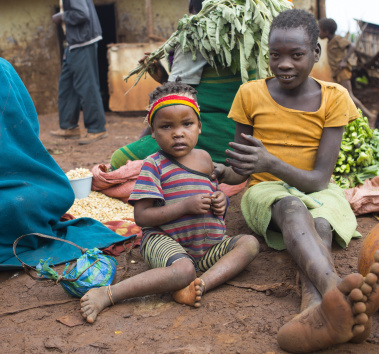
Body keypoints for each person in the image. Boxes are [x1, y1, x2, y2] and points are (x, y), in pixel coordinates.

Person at [213, 9, 379, 354]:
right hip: (266, 192)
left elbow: (317, 181)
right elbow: (243, 170)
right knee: (295, 210)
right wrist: (225, 171)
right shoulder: (249, 94)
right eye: (275, 55)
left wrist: (270, 160)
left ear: (315, 53)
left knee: (321, 225)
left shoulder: (334, 97)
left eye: (296, 55)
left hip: (318, 187)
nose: (284, 64)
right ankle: (334, 290)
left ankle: (315, 313)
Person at [80, 80, 259, 323]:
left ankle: (199, 285)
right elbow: (142, 217)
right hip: (165, 240)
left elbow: (214, 198)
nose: (178, 133)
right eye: (166, 126)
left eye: (187, 124)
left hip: (206, 246)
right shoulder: (154, 165)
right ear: (153, 132)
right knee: (183, 269)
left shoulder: (206, 160)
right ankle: (108, 294)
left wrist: (220, 202)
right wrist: (184, 207)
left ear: (199, 127)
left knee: (249, 244)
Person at [0, 57, 131, 269]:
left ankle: (92, 127)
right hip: (19, 210)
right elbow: (27, 125)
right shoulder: (3, 69)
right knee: (46, 195)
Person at [109, 0, 255, 170]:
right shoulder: (251, 37)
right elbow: (210, 92)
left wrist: (144, 140)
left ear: (192, 10)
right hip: (240, 142)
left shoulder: (195, 36)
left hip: (207, 140)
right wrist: (165, 78)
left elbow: (171, 102)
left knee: (119, 158)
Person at [50, 0, 108, 145]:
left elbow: (81, 14)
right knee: (66, 85)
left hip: (83, 42)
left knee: (87, 85)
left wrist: (62, 16)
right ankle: (68, 126)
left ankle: (96, 128)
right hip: (74, 44)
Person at [318, 18, 376, 120]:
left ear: (326, 32)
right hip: (336, 73)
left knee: (349, 95)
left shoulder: (337, 39)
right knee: (338, 95)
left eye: (320, 30)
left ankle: (367, 114)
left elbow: (352, 46)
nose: (318, 33)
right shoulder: (330, 41)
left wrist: (344, 60)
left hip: (342, 72)